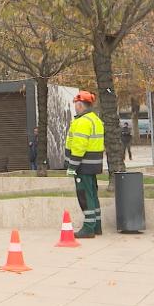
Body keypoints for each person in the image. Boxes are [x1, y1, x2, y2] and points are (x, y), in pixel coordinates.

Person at [66, 90, 105, 239]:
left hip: (83, 165)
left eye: (76, 104)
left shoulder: (82, 122)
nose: (75, 107)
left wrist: (72, 166)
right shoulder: (95, 119)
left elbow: (79, 146)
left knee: (84, 195)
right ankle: (97, 226)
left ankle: (89, 228)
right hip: (93, 164)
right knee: (92, 194)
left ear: (81, 105)